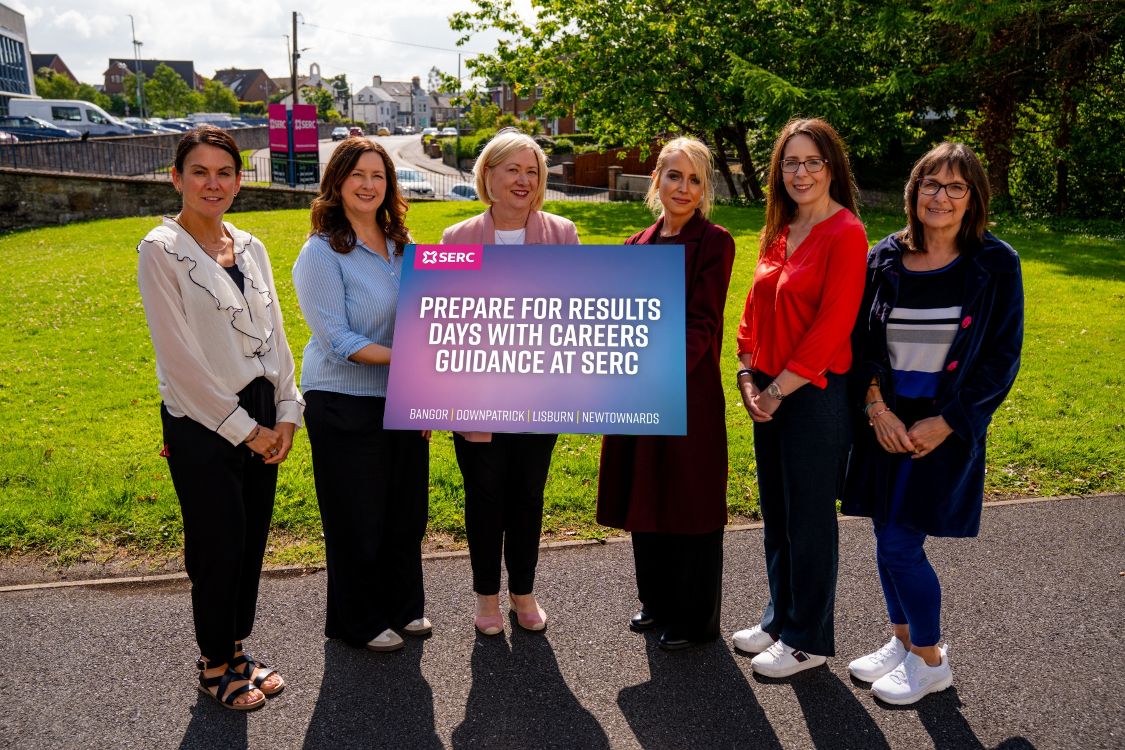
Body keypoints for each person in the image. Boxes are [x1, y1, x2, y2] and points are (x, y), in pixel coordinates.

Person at [842, 142, 1023, 705]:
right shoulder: (884, 258)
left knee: (901, 545)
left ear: (973, 199)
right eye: (930, 184)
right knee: (884, 535)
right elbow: (861, 343)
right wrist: (876, 408)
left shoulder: (995, 263)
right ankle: (902, 642)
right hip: (886, 424)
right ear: (913, 191)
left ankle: (930, 659)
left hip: (940, 431)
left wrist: (947, 422)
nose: (940, 197)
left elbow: (1001, 358)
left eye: (955, 187)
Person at [137, 126, 303, 710]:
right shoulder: (160, 249)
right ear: (176, 178)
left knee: (251, 539)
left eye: (225, 172)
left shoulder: (251, 245)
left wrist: (287, 411)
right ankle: (213, 665)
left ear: (238, 181)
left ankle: (236, 650)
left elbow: (277, 335)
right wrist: (247, 432)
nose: (214, 183)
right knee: (218, 545)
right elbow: (179, 361)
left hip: (263, 412)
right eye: (200, 172)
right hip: (203, 420)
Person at [730, 118, 868, 677]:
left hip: (814, 395)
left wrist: (777, 390)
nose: (801, 172)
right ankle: (779, 619)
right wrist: (747, 375)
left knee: (809, 520)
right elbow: (752, 311)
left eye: (812, 161)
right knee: (778, 513)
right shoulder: (779, 229)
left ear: (832, 167)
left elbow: (833, 327)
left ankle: (808, 639)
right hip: (766, 387)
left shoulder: (846, 232)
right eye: (790, 162)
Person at [292, 137, 431, 653]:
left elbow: (427, 321)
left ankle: (402, 606)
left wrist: (429, 392)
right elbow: (337, 340)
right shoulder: (321, 251)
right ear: (338, 182)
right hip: (342, 399)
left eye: (378, 175)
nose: (369, 185)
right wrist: (411, 361)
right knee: (358, 516)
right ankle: (357, 621)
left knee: (406, 511)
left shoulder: (403, 244)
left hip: (403, 396)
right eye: (357, 175)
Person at [596, 137, 736, 651]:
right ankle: (656, 600)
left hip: (686, 391)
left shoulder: (715, 242)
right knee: (644, 491)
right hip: (636, 389)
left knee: (688, 500)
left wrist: (658, 370)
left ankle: (694, 619)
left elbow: (703, 322)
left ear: (704, 188)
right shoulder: (635, 244)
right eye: (674, 175)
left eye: (695, 179)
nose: (683, 187)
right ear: (656, 179)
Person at [441, 128, 579, 636]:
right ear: (489, 175)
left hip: (539, 395)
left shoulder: (562, 234)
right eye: (513, 170)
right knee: (484, 498)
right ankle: (486, 597)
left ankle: (523, 591)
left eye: (532, 171)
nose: (524, 180)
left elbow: (575, 313)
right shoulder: (456, 239)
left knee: (527, 497)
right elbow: (444, 323)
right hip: (475, 397)